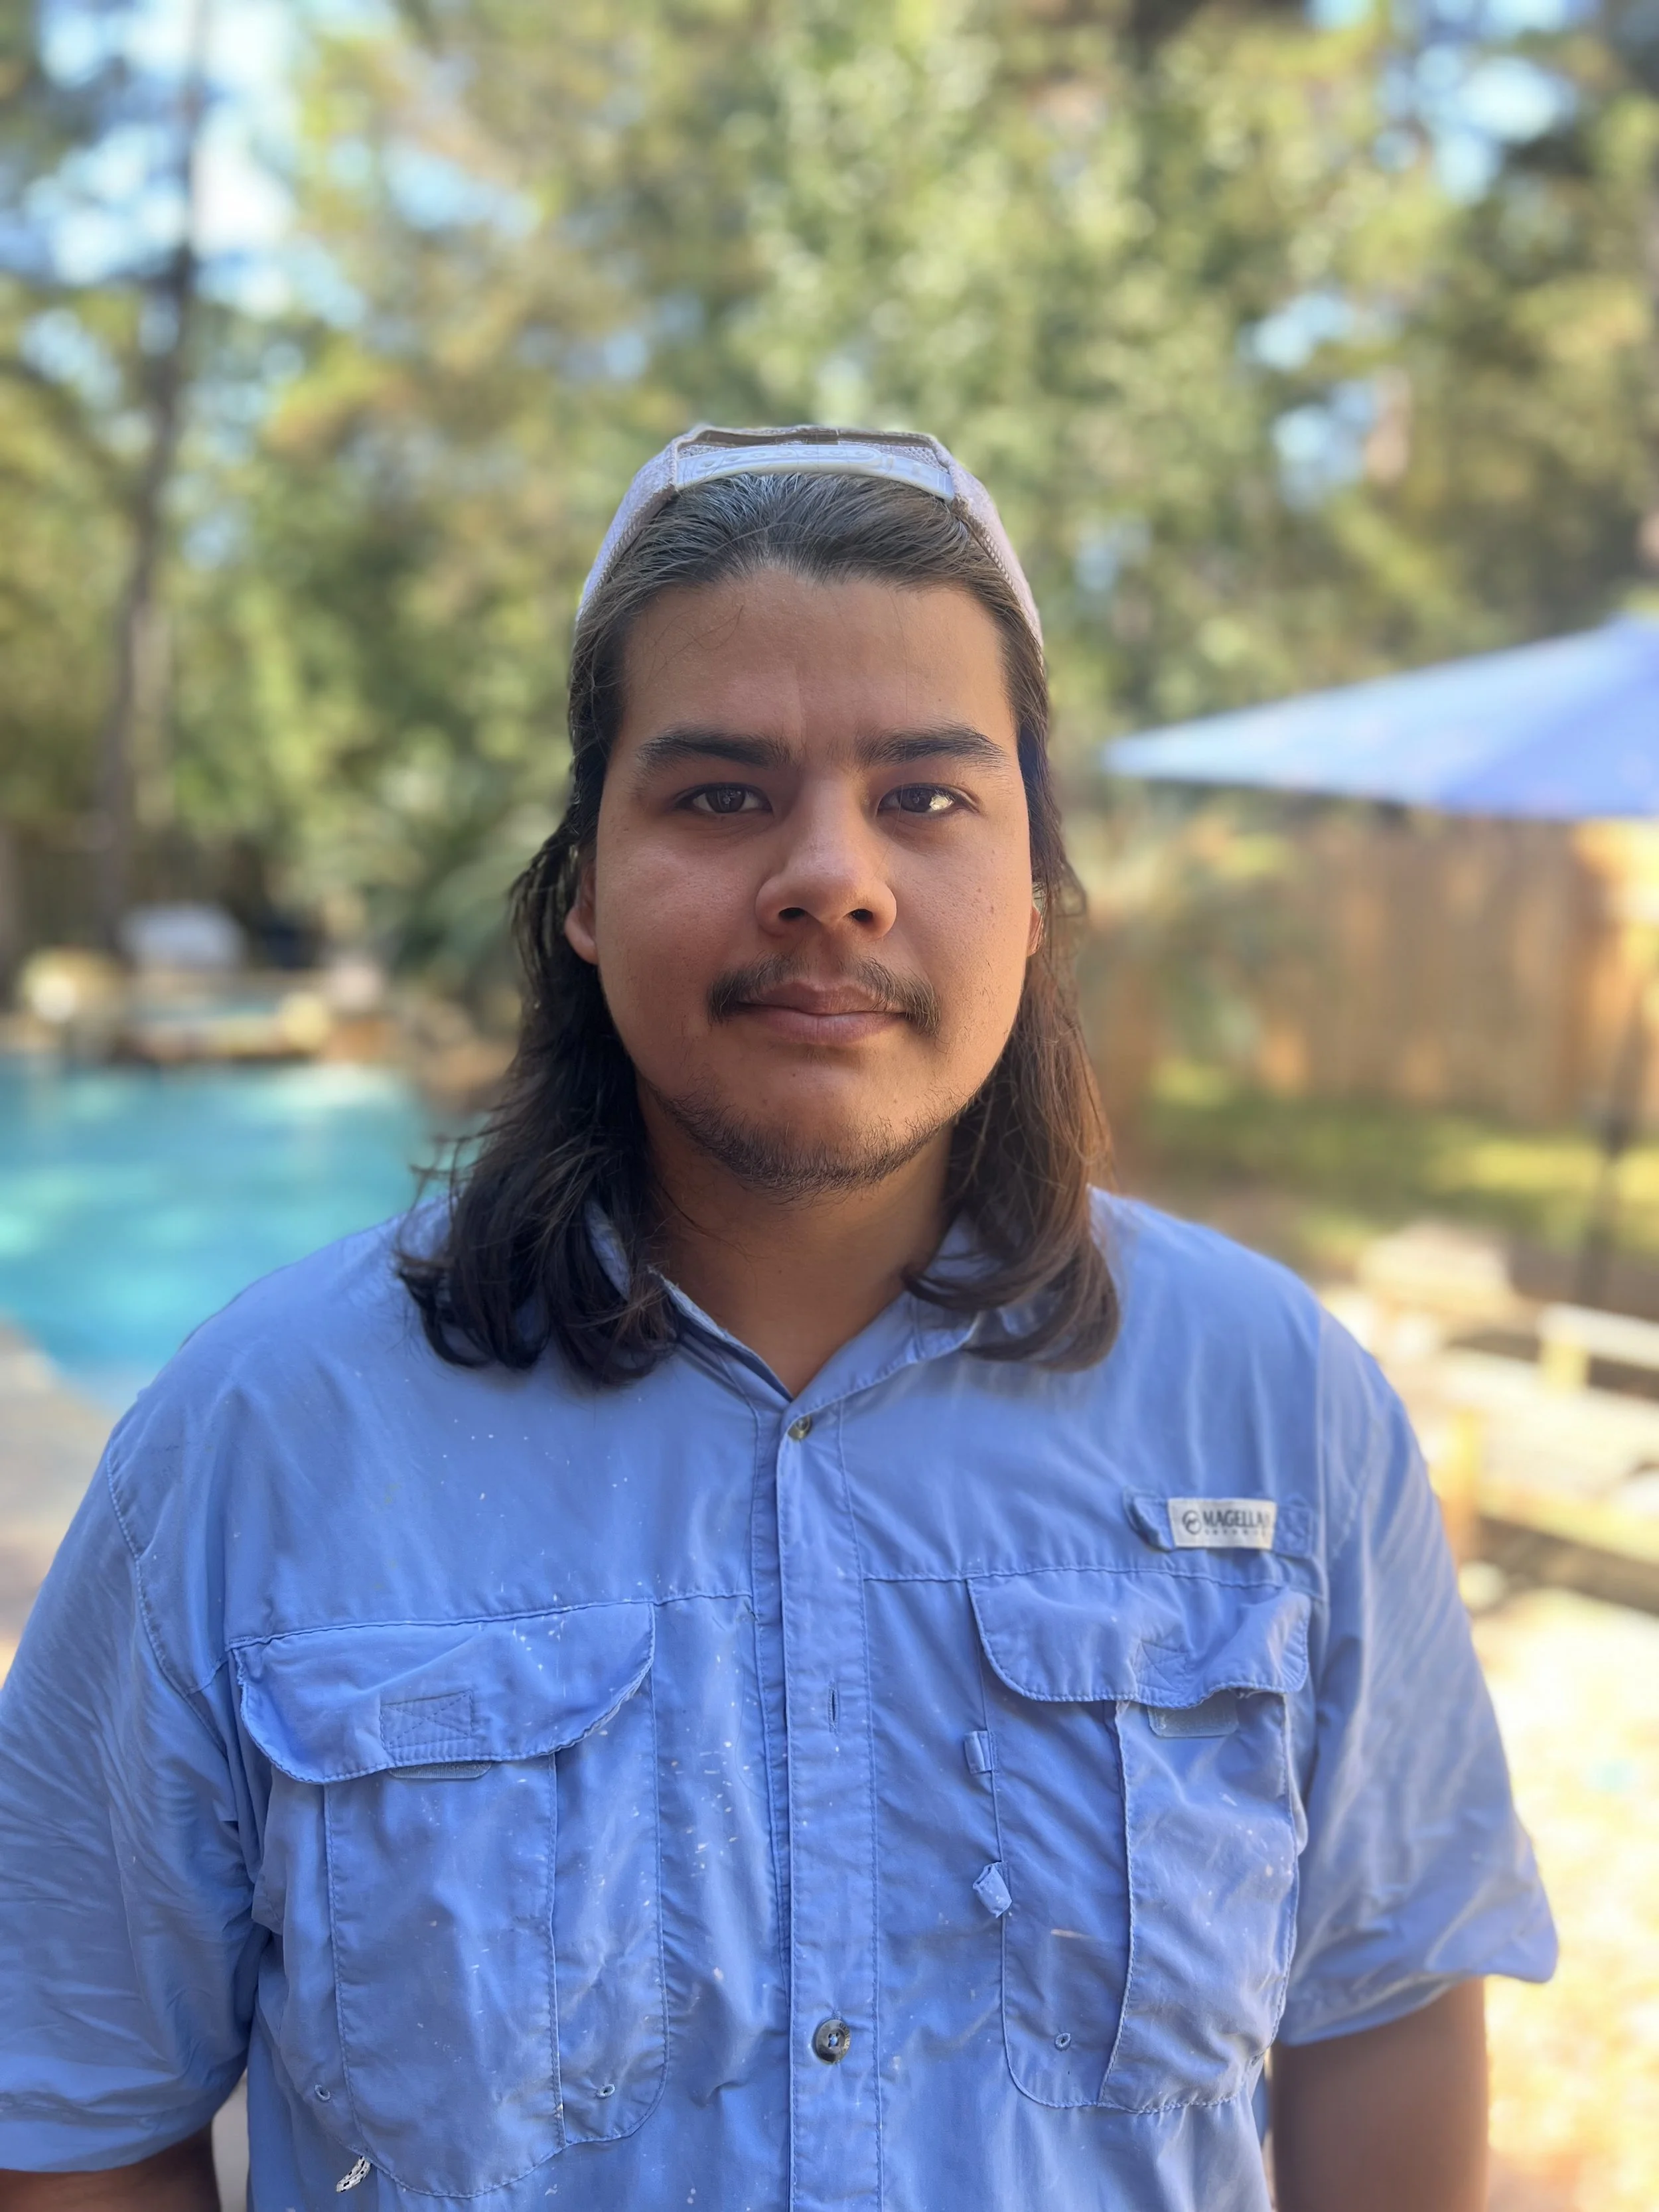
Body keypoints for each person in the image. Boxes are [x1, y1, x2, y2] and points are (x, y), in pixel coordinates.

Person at [0, 425, 1554, 2212]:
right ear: (580, 884)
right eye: (721, 793)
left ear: (1036, 889)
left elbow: (1376, 2005)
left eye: (926, 794)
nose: (833, 874)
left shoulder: (1276, 1407)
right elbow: (73, 2103)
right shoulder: (262, 1437)